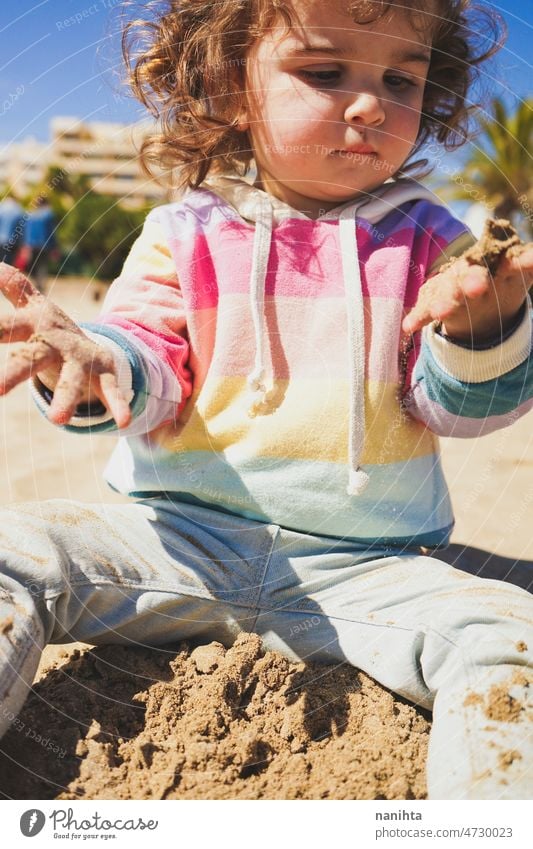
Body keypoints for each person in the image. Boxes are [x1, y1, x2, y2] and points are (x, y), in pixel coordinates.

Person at [0, 0, 532, 800]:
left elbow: (461, 410)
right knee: (15, 550)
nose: (370, 104)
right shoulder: (182, 230)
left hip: (364, 567)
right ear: (230, 86)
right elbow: (146, 366)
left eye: (400, 79)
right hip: (172, 542)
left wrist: (487, 324)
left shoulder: (440, 247)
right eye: (324, 72)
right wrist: (80, 358)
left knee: (510, 633)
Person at [22, 195, 58, 294]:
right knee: (42, 266)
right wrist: (54, 247)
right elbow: (51, 232)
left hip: (32, 245)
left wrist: (26, 245)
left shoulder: (31, 215)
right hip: (44, 245)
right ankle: (41, 287)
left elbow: (27, 231)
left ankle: (34, 285)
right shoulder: (48, 214)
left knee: (32, 265)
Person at [0, 192, 25, 266]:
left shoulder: (1, 207)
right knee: (7, 265)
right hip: (12, 243)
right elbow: (21, 230)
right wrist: (22, 244)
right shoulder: (18, 209)